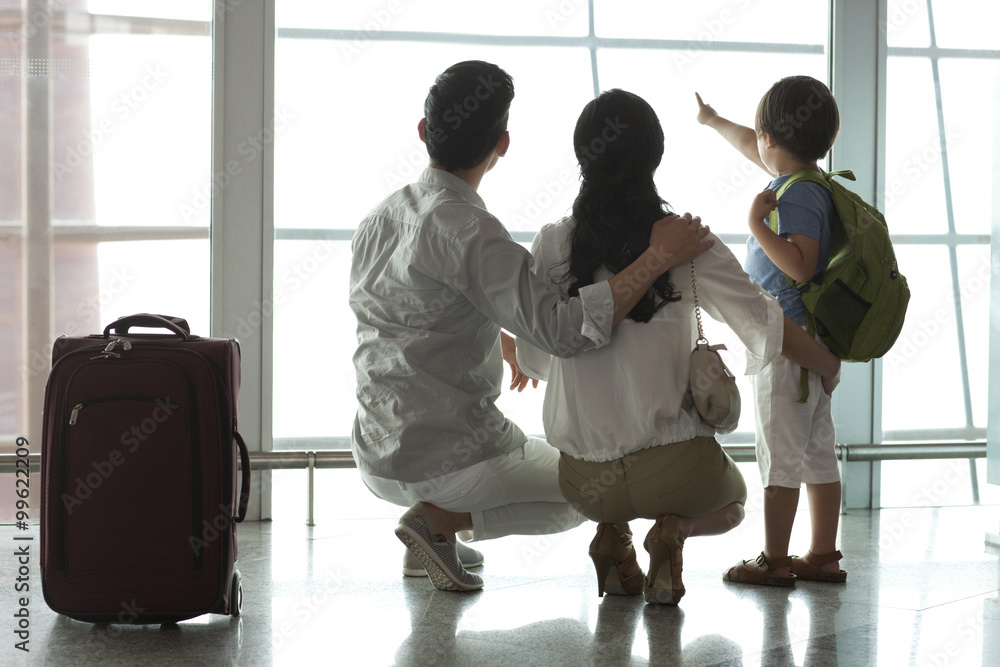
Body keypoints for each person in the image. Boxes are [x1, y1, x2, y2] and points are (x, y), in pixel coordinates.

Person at [349, 61, 714, 593]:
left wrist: (496, 330)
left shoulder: (379, 219)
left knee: (564, 477)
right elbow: (562, 330)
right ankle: (440, 522)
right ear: (503, 143)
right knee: (588, 491)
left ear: (424, 132)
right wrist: (657, 257)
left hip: (374, 453)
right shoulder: (472, 230)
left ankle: (431, 537)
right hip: (449, 460)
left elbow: (405, 312)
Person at [515, 89, 842, 605]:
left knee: (610, 451)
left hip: (581, 479)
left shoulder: (553, 242)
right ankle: (673, 533)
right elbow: (766, 322)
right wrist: (826, 362)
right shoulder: (687, 243)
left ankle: (613, 536)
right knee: (733, 503)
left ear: (582, 157)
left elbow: (536, 358)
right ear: (656, 156)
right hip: (673, 472)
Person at [695, 75, 848, 586]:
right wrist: (713, 120)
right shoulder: (802, 178)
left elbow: (801, 266)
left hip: (787, 348)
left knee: (779, 457)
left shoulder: (797, 196)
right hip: (810, 344)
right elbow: (749, 142)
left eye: (758, 136)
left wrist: (757, 226)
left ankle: (775, 560)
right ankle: (823, 555)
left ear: (772, 139)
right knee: (817, 451)